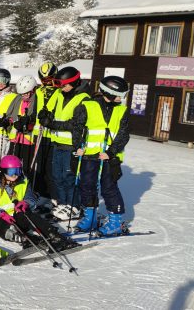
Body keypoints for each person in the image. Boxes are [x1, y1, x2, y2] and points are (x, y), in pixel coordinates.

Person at [70, 76, 130, 236]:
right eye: (119, 94)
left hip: (109, 158)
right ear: (109, 92)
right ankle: (90, 218)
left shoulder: (121, 110)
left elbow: (123, 135)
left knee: (109, 188)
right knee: (87, 186)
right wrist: (77, 146)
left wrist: (111, 152)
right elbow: (77, 127)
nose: (121, 98)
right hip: (89, 155)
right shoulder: (87, 106)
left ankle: (115, 221)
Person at [0, 155, 79, 251]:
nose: (15, 175)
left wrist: (25, 203)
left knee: (29, 215)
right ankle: (25, 239)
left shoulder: (23, 181)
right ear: (3, 171)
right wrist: (0, 213)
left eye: (18, 171)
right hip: (2, 218)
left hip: (18, 216)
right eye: (11, 171)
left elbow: (30, 198)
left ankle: (55, 236)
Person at [38, 67, 90, 220]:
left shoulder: (84, 98)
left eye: (65, 85)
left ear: (74, 82)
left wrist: (52, 124)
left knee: (69, 177)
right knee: (56, 177)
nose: (62, 88)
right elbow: (53, 112)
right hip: (57, 143)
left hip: (72, 145)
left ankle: (73, 206)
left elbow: (76, 124)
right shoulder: (61, 94)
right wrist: (45, 115)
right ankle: (62, 204)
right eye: (60, 85)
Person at [32, 62, 60, 204]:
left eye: (49, 79)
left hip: (52, 134)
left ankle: (50, 196)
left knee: (51, 168)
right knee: (39, 166)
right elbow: (34, 109)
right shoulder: (38, 91)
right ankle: (38, 192)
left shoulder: (60, 92)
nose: (47, 83)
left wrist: (51, 117)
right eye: (44, 80)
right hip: (38, 134)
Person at [7, 75, 38, 175]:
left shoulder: (36, 101)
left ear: (32, 90)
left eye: (25, 93)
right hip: (16, 138)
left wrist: (28, 123)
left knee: (26, 166)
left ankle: (26, 184)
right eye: (21, 94)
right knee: (13, 163)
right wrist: (8, 123)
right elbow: (10, 115)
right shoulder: (17, 99)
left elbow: (36, 119)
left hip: (28, 140)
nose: (23, 96)